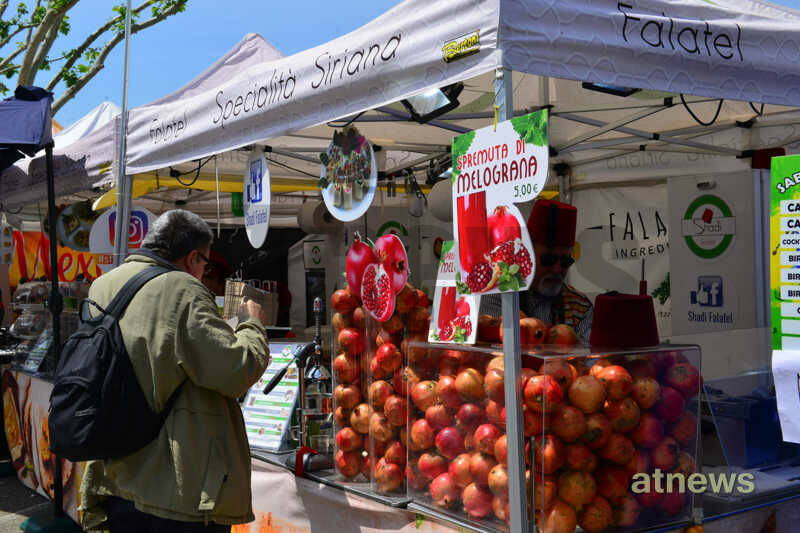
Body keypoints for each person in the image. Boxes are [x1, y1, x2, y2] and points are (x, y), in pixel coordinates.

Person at [79, 210, 270, 532]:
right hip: (177, 484)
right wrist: (252, 324)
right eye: (205, 264)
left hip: (118, 471)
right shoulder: (182, 289)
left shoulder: (105, 284)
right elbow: (237, 370)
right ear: (193, 257)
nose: (203, 272)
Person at [481, 199, 593, 343]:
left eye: (565, 262)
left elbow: (589, 358)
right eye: (548, 260)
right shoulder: (500, 295)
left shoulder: (579, 307)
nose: (557, 269)